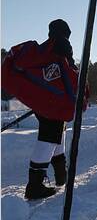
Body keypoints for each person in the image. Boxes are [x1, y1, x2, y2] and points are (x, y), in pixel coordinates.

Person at [26, 19, 74, 200]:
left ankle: (62, 176)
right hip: (54, 100)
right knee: (48, 137)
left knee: (57, 134)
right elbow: (67, 71)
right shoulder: (62, 44)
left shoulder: (46, 46)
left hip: (43, 100)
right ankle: (35, 186)